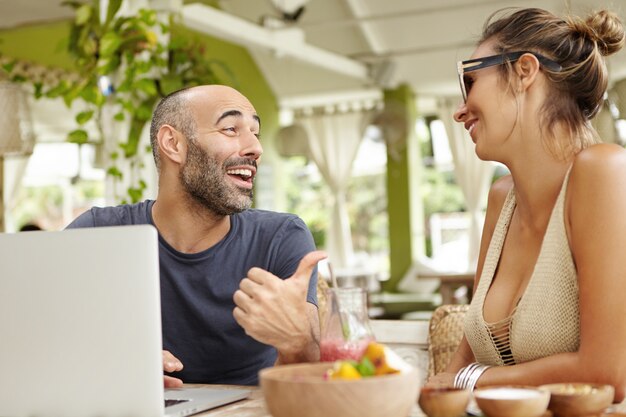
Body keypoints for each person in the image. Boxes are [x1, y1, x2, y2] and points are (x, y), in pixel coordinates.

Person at [427, 7, 626, 401]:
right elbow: (464, 359)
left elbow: (607, 372)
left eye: (470, 81)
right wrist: (437, 389)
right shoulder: (502, 198)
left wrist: (469, 381)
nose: (459, 110)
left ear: (524, 71)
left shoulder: (604, 172)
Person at [67, 85, 326, 386]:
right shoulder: (98, 233)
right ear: (173, 143)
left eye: (254, 132)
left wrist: (297, 339)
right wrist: (113, 362)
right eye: (231, 128)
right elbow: (31, 331)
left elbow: (314, 377)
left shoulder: (280, 237)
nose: (256, 147)